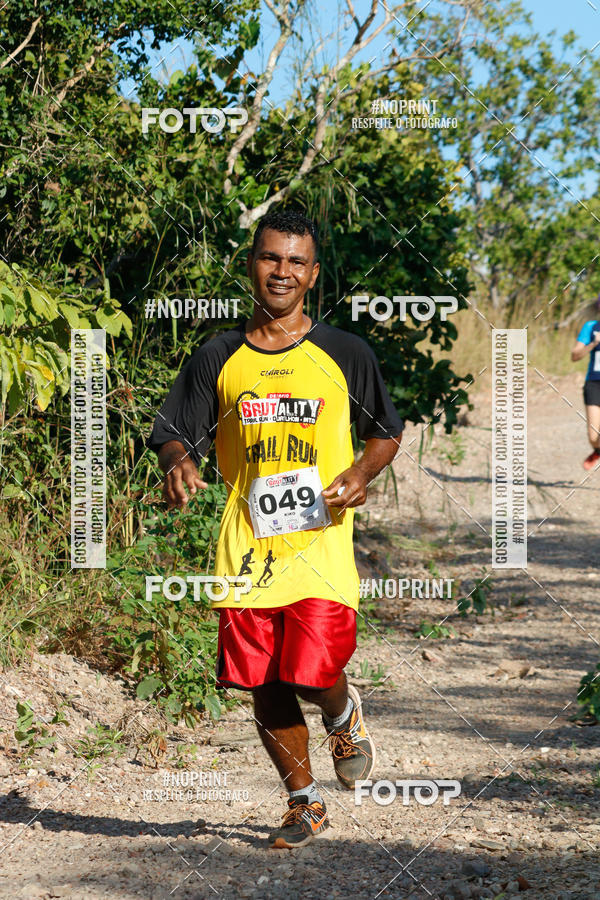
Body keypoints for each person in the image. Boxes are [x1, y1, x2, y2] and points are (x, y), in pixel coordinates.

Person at [147, 208, 404, 849]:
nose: (282, 271)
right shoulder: (219, 355)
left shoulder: (345, 352)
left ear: (313, 275)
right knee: (262, 682)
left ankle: (342, 715)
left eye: (296, 261)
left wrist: (359, 472)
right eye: (270, 257)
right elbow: (174, 431)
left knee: (311, 674)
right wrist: (178, 463)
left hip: (320, 539)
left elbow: (385, 432)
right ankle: (303, 803)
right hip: (247, 544)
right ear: (251, 265)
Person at [571, 294, 600, 470]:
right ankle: (597, 450)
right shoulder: (591, 327)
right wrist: (594, 343)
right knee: (593, 436)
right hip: (594, 383)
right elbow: (574, 356)